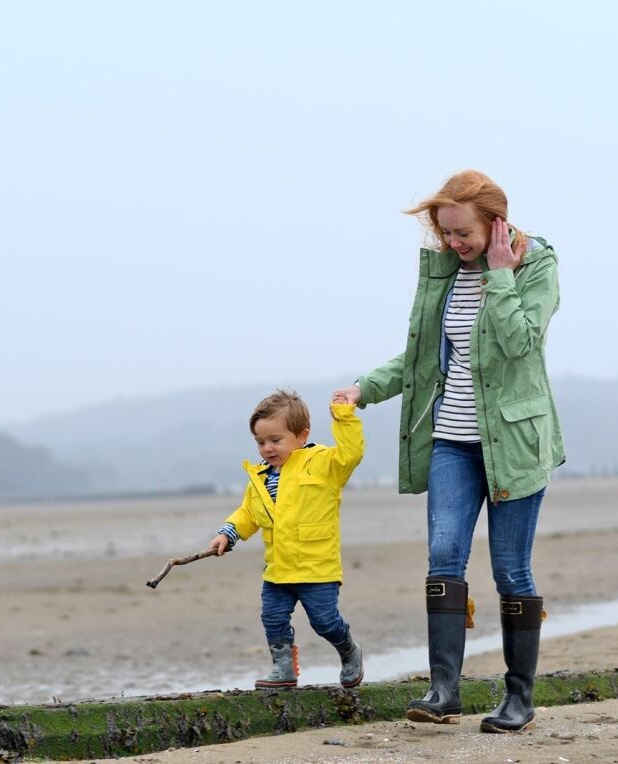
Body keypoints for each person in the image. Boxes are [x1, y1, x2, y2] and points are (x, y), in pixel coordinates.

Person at [333, 170, 565, 733]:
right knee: (443, 556)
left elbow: (518, 344)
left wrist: (502, 275)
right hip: (451, 441)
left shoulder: (537, 265)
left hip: (513, 443)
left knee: (511, 569)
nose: (455, 245)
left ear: (496, 221)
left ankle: (519, 699)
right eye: (446, 235)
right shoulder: (446, 272)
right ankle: (444, 692)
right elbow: (421, 359)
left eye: (463, 234)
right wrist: (365, 388)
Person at [207, 389, 366, 689]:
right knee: (273, 618)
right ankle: (284, 668)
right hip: (278, 569)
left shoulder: (323, 464)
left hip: (317, 568)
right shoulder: (261, 478)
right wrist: (228, 533)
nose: (267, 448)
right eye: (260, 442)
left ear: (301, 436)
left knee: (325, 621)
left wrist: (344, 417)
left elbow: (352, 453)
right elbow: (249, 513)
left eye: (275, 440)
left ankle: (349, 650)